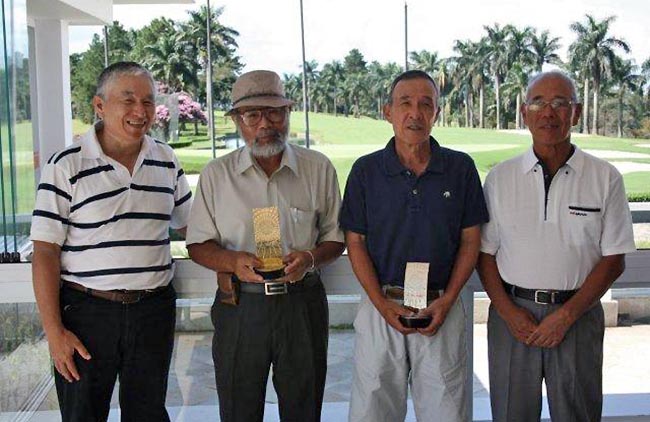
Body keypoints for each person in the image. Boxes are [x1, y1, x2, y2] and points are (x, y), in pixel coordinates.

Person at [30, 61, 192, 421]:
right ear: (100, 106)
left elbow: (192, 227)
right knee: (83, 414)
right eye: (128, 99)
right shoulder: (65, 165)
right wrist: (54, 332)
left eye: (149, 101)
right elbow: (44, 252)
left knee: (148, 413)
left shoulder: (165, 160)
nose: (141, 111)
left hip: (152, 311)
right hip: (86, 316)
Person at [185, 69, 345, 422]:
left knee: (303, 409)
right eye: (252, 114)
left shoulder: (317, 169)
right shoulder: (217, 174)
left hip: (301, 306)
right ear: (237, 120)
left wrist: (309, 258)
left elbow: (335, 238)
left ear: (288, 114)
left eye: (274, 112)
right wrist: (231, 261)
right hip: (240, 306)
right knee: (239, 409)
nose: (265, 124)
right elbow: (197, 244)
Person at [477, 70, 636, 422]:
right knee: (511, 414)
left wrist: (566, 315)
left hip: (577, 316)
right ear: (524, 112)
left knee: (578, 413)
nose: (548, 112)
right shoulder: (500, 178)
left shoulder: (604, 177)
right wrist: (507, 311)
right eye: (538, 103)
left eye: (560, 103)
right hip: (512, 316)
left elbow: (614, 260)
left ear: (575, 113)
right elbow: (484, 255)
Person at [340, 69, 488, 422]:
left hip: (442, 307)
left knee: (447, 412)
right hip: (382, 307)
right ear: (387, 111)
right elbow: (355, 243)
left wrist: (449, 299)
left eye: (426, 104)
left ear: (437, 113)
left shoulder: (460, 168)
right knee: (372, 412)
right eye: (405, 103)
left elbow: (471, 239)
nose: (415, 113)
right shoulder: (365, 171)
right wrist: (380, 304)